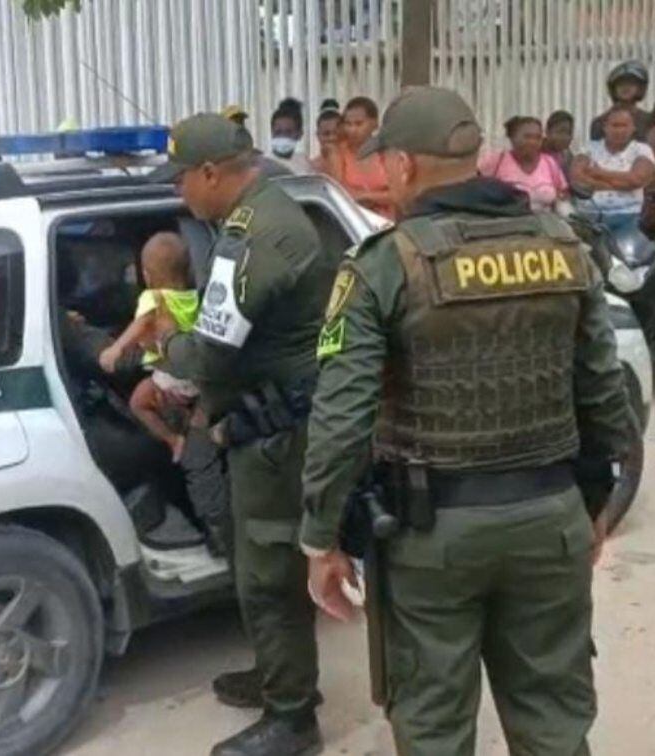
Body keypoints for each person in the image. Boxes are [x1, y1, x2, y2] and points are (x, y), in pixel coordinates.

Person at [300, 86, 637, 755]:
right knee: (555, 723)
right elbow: (604, 397)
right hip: (551, 518)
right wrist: (593, 503)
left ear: (402, 165)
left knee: (432, 727)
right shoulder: (563, 245)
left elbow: (341, 420)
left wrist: (321, 539)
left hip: (433, 538)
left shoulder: (383, 266)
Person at [150, 113, 336, 756]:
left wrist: (162, 345)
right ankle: (278, 676)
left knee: (268, 574)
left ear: (209, 173)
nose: (179, 193)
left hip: (278, 433)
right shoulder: (269, 213)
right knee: (264, 565)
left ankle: (293, 717)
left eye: (180, 180)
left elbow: (210, 355)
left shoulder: (250, 237)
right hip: (270, 422)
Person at [99, 232, 201, 462]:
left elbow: (142, 323)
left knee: (138, 403)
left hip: (168, 374)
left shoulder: (154, 297)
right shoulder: (194, 298)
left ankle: (174, 441)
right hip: (194, 379)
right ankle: (187, 426)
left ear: (146, 275)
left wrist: (117, 348)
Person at [571, 104, 655, 235]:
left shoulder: (642, 150)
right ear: (605, 127)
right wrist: (624, 184)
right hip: (588, 217)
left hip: (629, 217)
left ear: (633, 128)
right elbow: (577, 178)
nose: (619, 130)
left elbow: (637, 179)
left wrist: (598, 173)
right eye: (615, 125)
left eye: (624, 125)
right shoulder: (588, 148)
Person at [478, 116, 569, 212]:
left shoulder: (549, 163)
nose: (533, 142)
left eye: (537, 137)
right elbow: (474, 185)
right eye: (527, 137)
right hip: (506, 223)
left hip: (544, 223)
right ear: (512, 137)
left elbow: (563, 194)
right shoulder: (496, 160)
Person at [326, 96, 395, 218]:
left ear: (374, 124)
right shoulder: (338, 153)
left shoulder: (386, 151)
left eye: (359, 124)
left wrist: (366, 196)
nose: (353, 130)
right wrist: (380, 196)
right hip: (354, 222)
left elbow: (400, 195)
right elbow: (338, 192)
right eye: (348, 124)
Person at [590, 60, 652, 142]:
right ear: (613, 89)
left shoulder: (648, 121)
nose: (625, 87)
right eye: (620, 84)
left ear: (640, 88)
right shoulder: (600, 122)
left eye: (631, 83)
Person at [269, 98, 313, 175]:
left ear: (299, 134)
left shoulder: (304, 163)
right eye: (278, 132)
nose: (282, 137)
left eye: (288, 132)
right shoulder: (263, 164)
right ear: (272, 133)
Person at [310, 107, 343, 173]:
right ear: (318, 136)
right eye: (326, 134)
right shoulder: (312, 168)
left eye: (336, 133)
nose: (332, 138)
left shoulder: (353, 163)